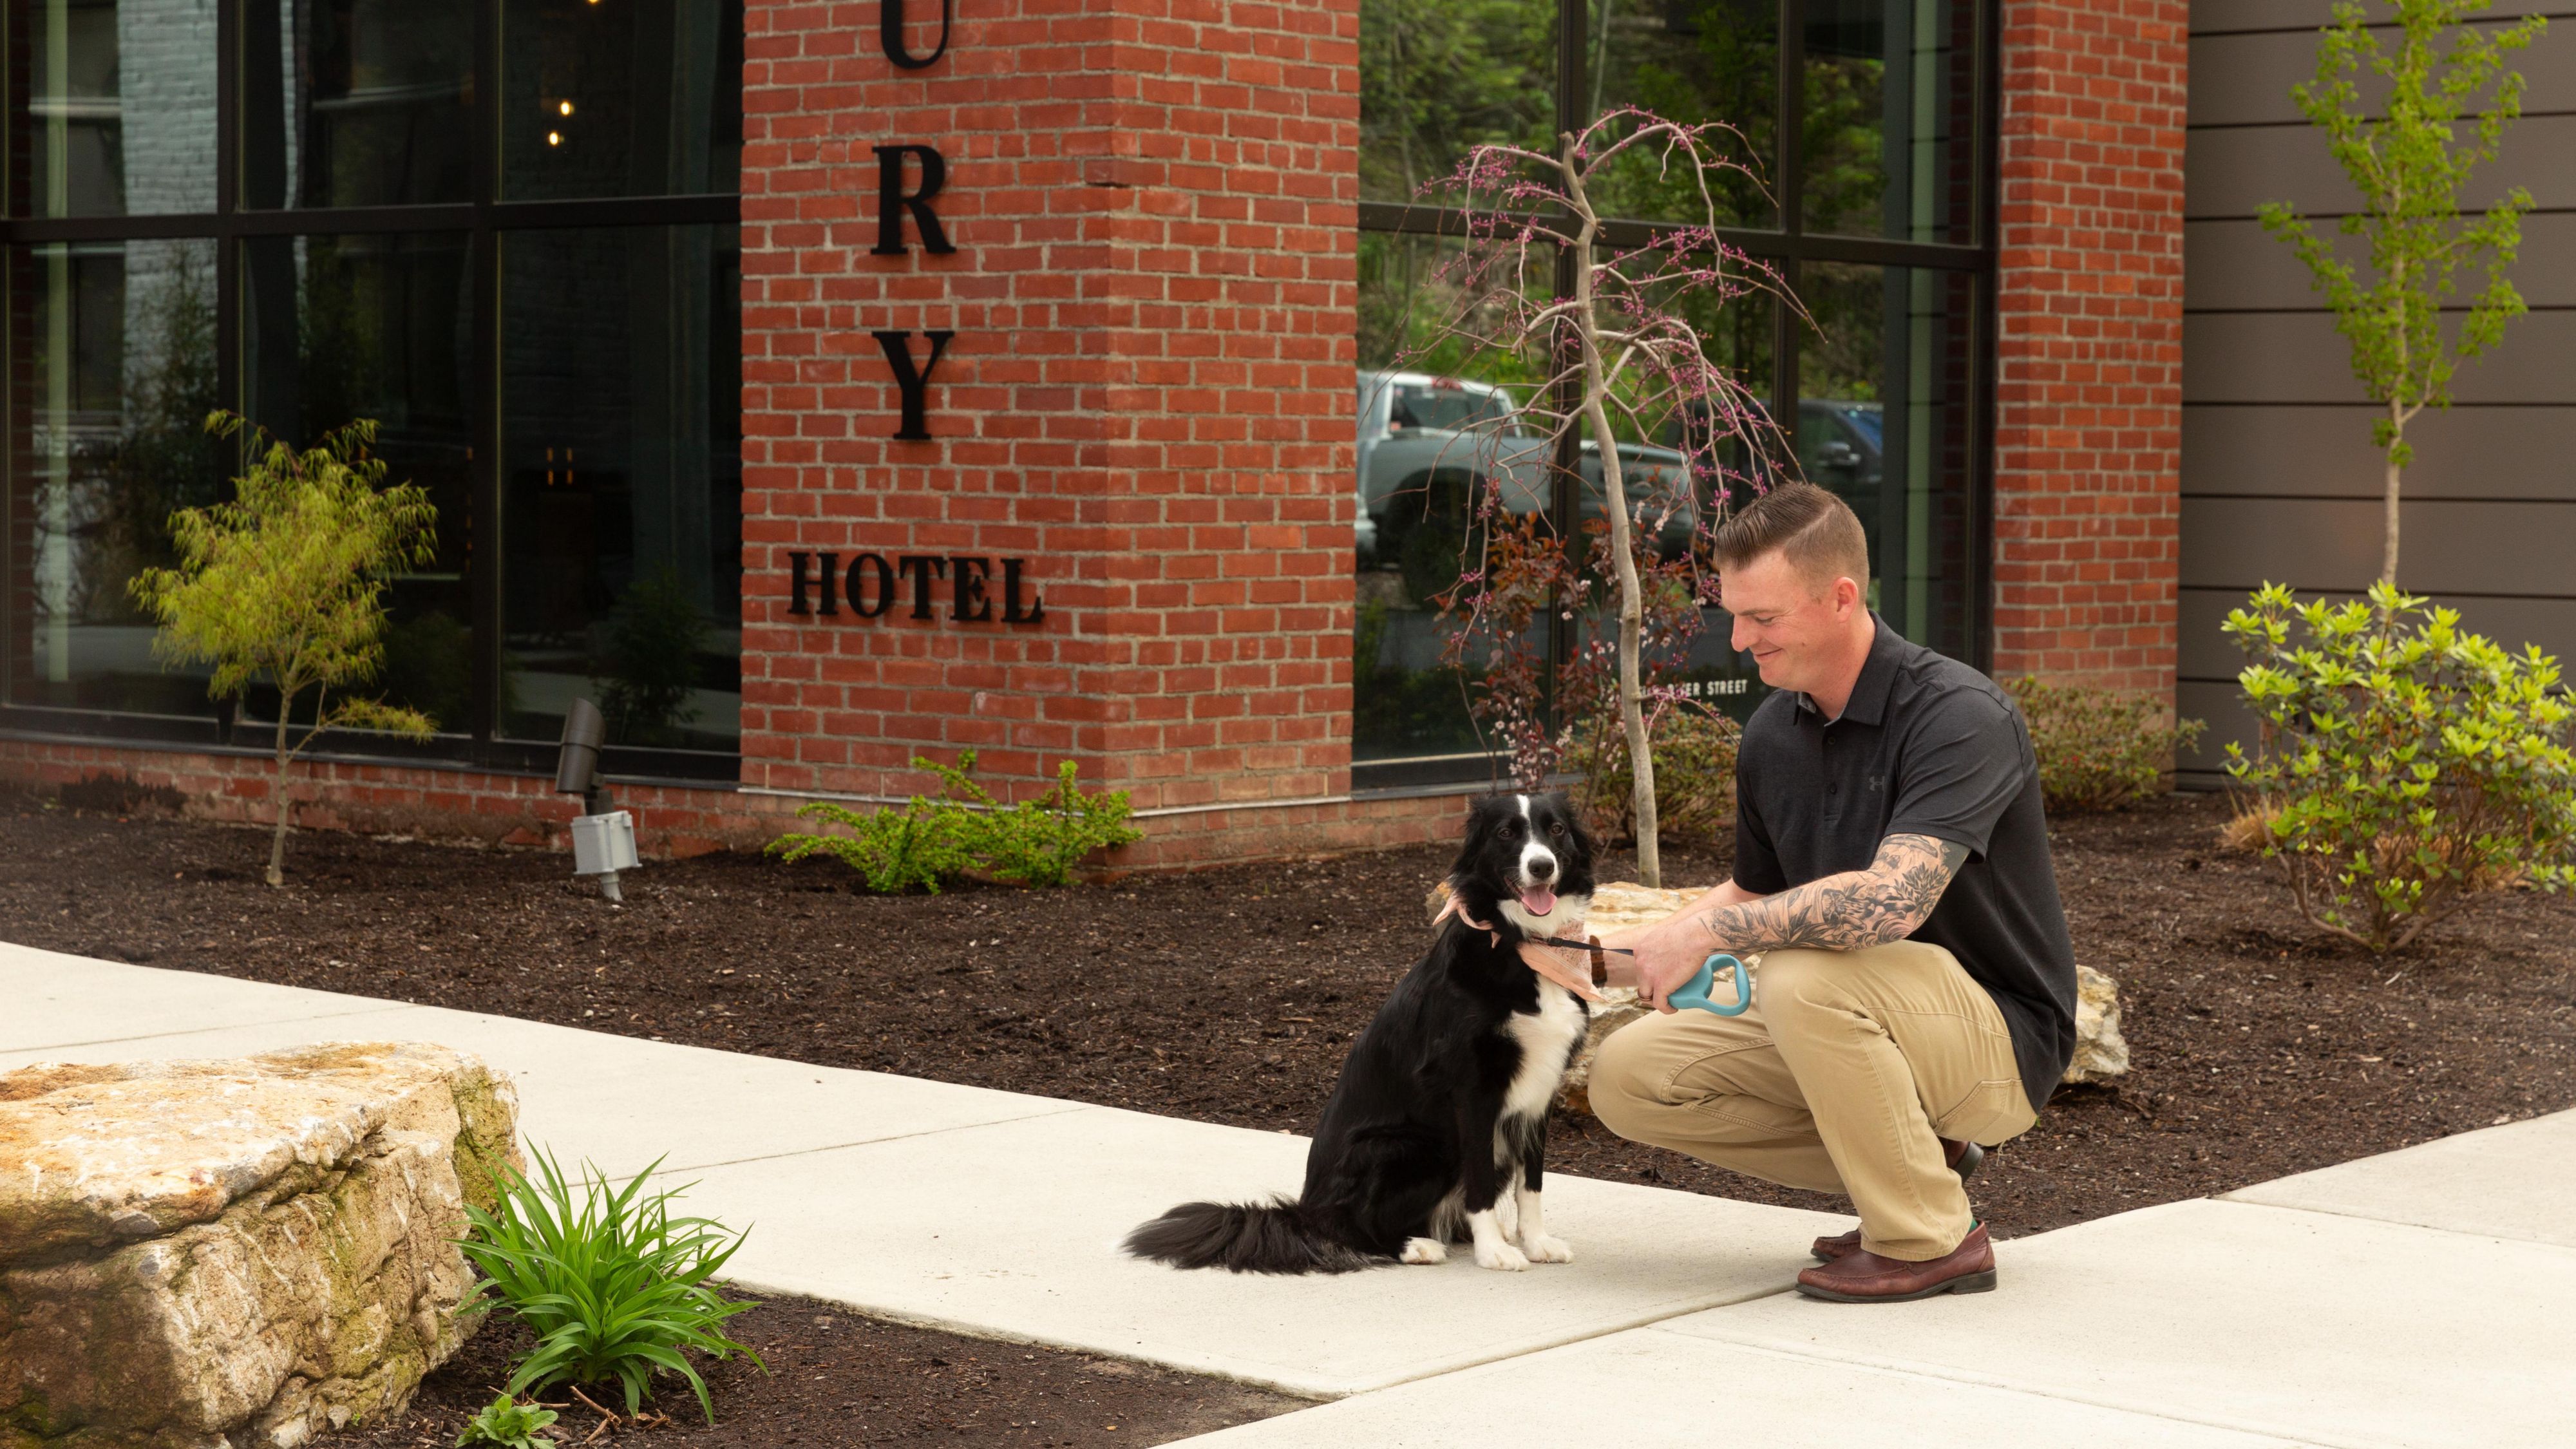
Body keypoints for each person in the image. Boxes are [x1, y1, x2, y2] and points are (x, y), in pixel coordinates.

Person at [1578, 481, 2078, 1303]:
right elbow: (1752, 888)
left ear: (1841, 597)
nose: (1739, 641)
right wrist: (1602, 961)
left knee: (1802, 973)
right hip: (1852, 1022)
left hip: (1996, 1040)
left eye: (1763, 619)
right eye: (1734, 615)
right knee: (1631, 1075)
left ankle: (1927, 1238)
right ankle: (1918, 1163)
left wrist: (1712, 936)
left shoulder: (1957, 715)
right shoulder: (1775, 731)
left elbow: (1890, 904)